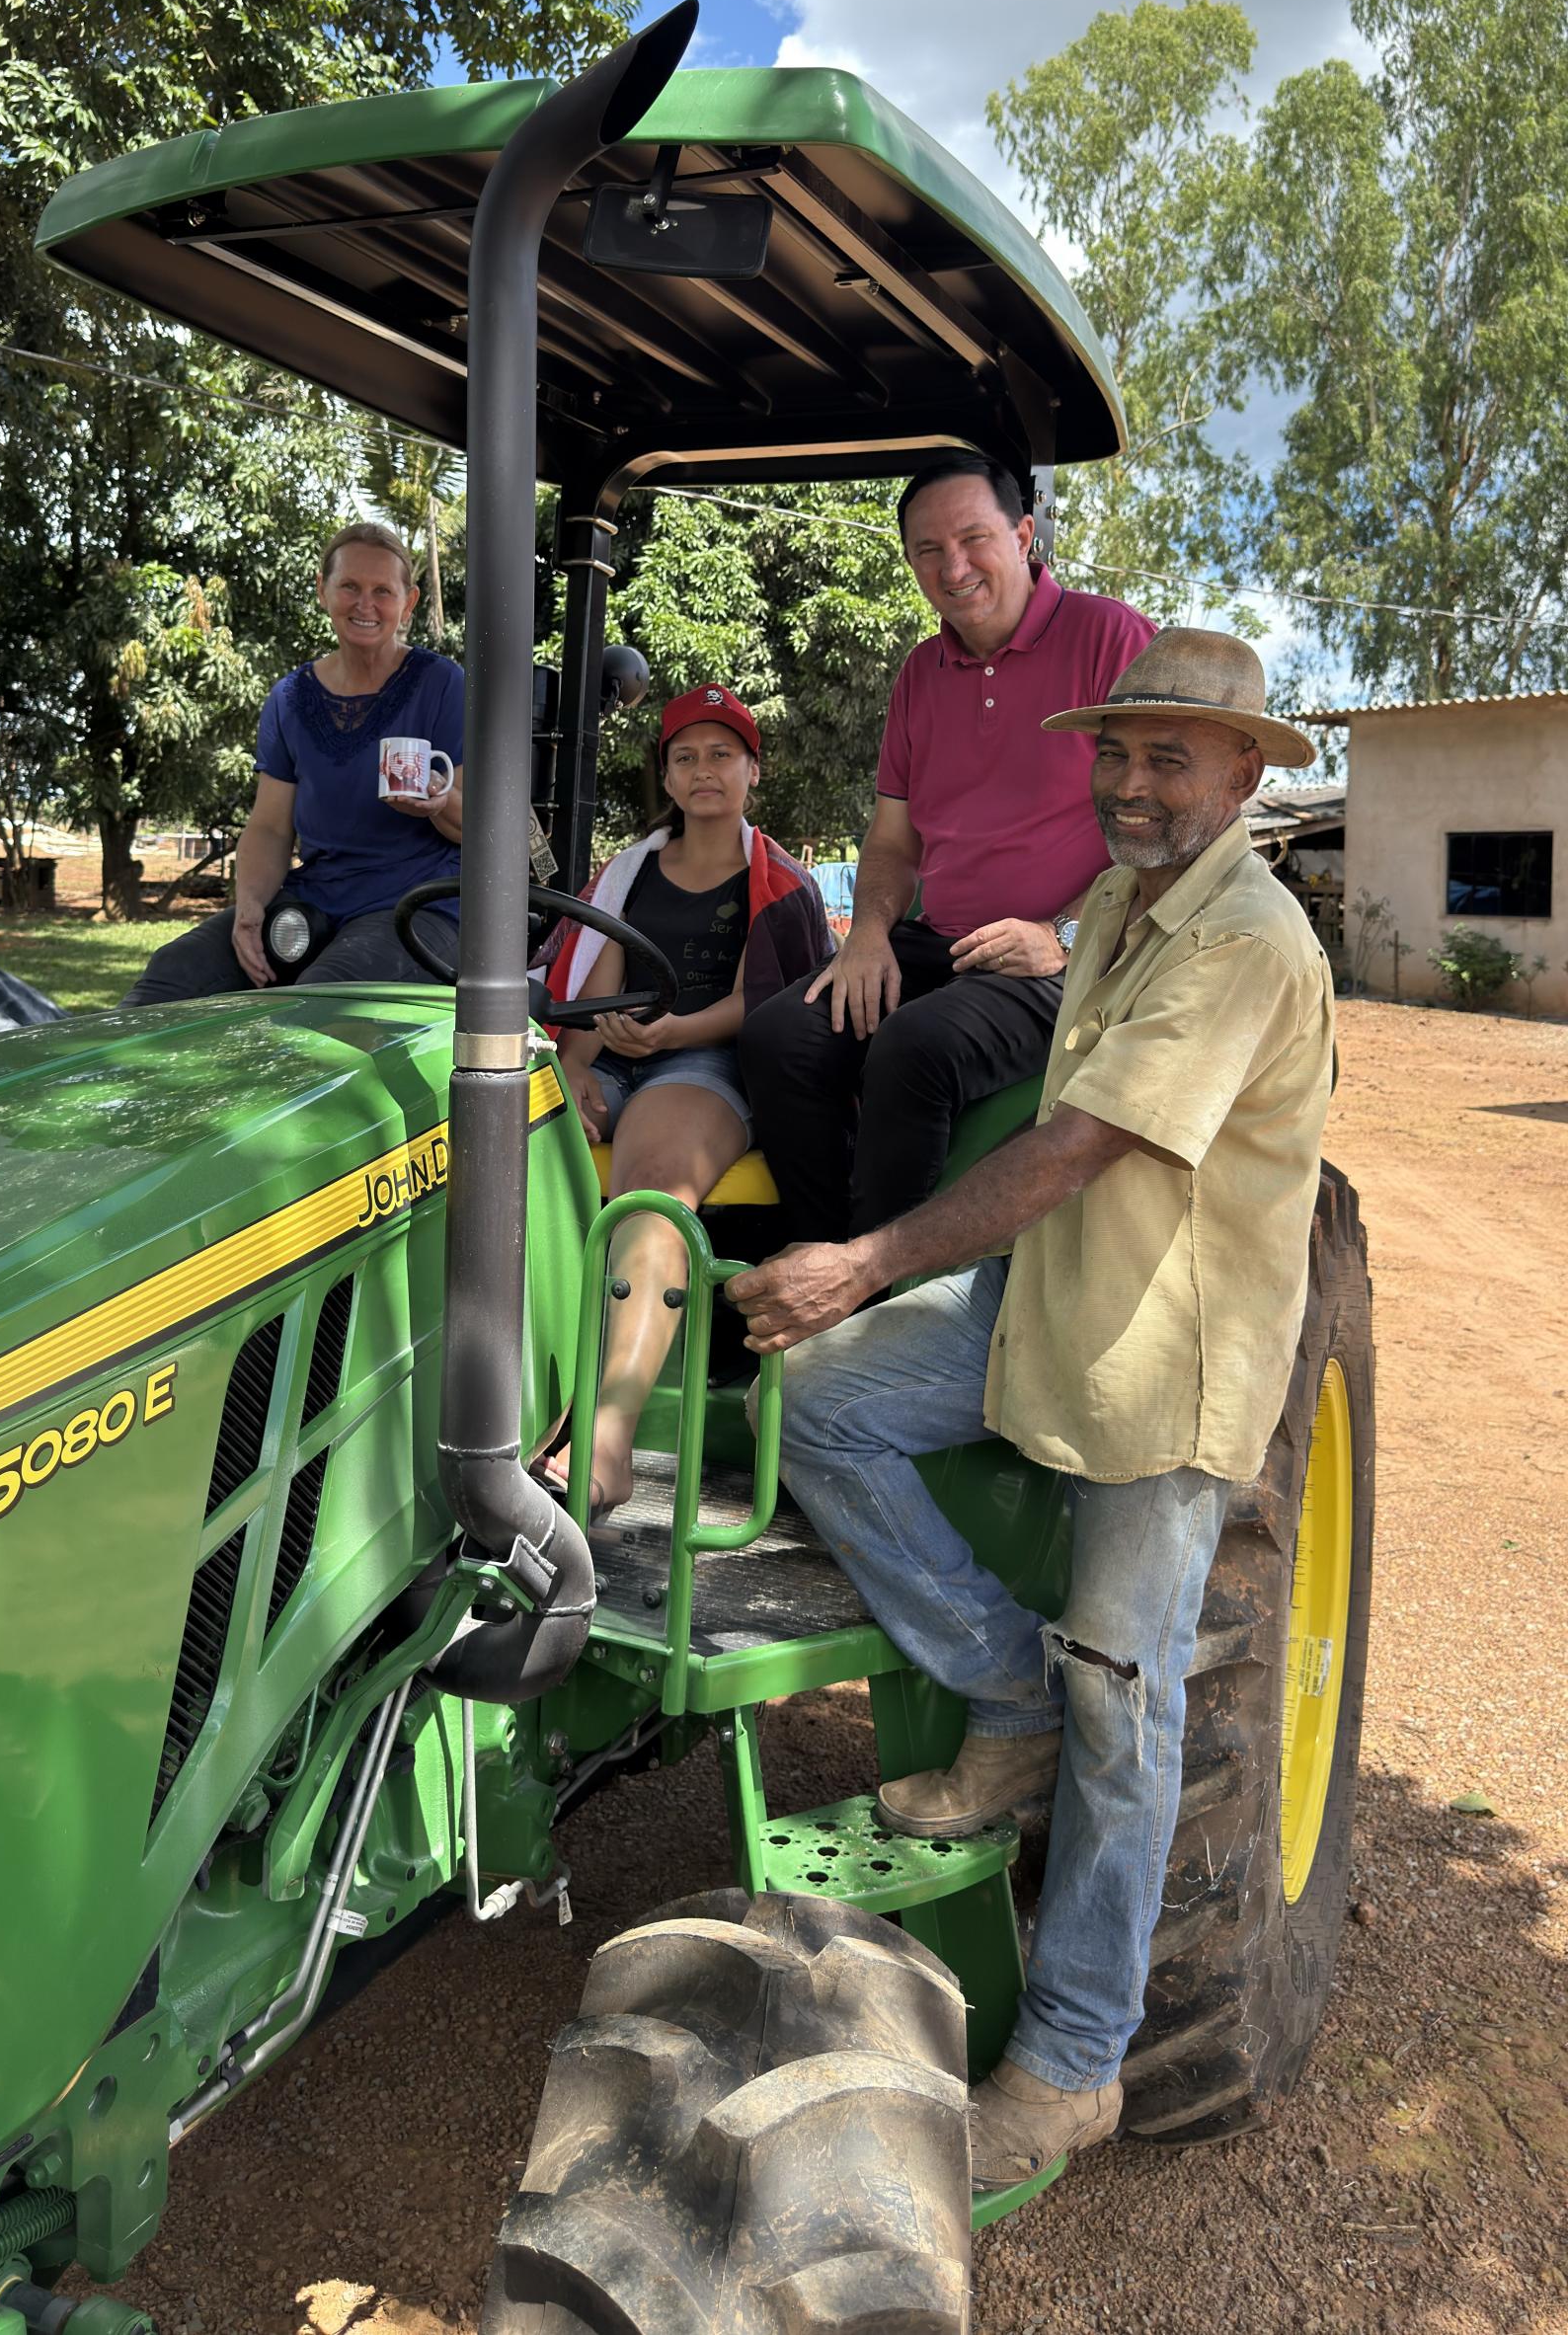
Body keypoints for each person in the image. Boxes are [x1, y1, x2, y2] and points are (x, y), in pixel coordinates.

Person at [728, 630, 1332, 2186]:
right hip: (1051, 1295)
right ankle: (1008, 1698)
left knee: (1127, 1702)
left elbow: (1072, 1150)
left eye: (1170, 757)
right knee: (818, 1404)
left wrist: (864, 1256)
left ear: (1244, 773)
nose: (1131, 783)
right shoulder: (1120, 906)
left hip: (1167, 1350)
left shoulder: (1247, 940)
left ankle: (1072, 2062)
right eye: (1115, 753)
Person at [739, 456, 1154, 1241]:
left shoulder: (1112, 639)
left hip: (1076, 957)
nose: (953, 568)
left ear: (1023, 536)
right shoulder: (920, 674)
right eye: (928, 550)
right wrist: (868, 933)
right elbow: (892, 840)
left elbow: (1157, 824)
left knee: (915, 1045)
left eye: (973, 539)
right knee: (778, 1034)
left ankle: (878, 1285)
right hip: (944, 944)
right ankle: (821, 1253)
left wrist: (1064, 934)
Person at [543, 684, 831, 1517]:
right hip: (616, 1054)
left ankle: (607, 1437)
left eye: (721, 755)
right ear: (666, 778)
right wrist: (576, 1065)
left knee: (652, 1192)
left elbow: (759, 1000)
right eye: (686, 757)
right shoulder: (627, 873)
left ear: (752, 771)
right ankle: (519, 1402)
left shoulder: (778, 881)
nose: (704, 771)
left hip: (710, 1061)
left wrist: (670, 1032)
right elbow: (594, 981)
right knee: (509, 1140)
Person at [124, 524, 465, 1002]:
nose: (365, 604)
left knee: (323, 997)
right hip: (317, 898)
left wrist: (437, 803)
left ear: (408, 603)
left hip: (419, 906)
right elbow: (269, 828)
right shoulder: (289, 697)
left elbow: (482, 827)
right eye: (349, 586)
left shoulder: (443, 683)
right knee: (174, 971)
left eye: (382, 591)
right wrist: (250, 907)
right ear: (323, 590)